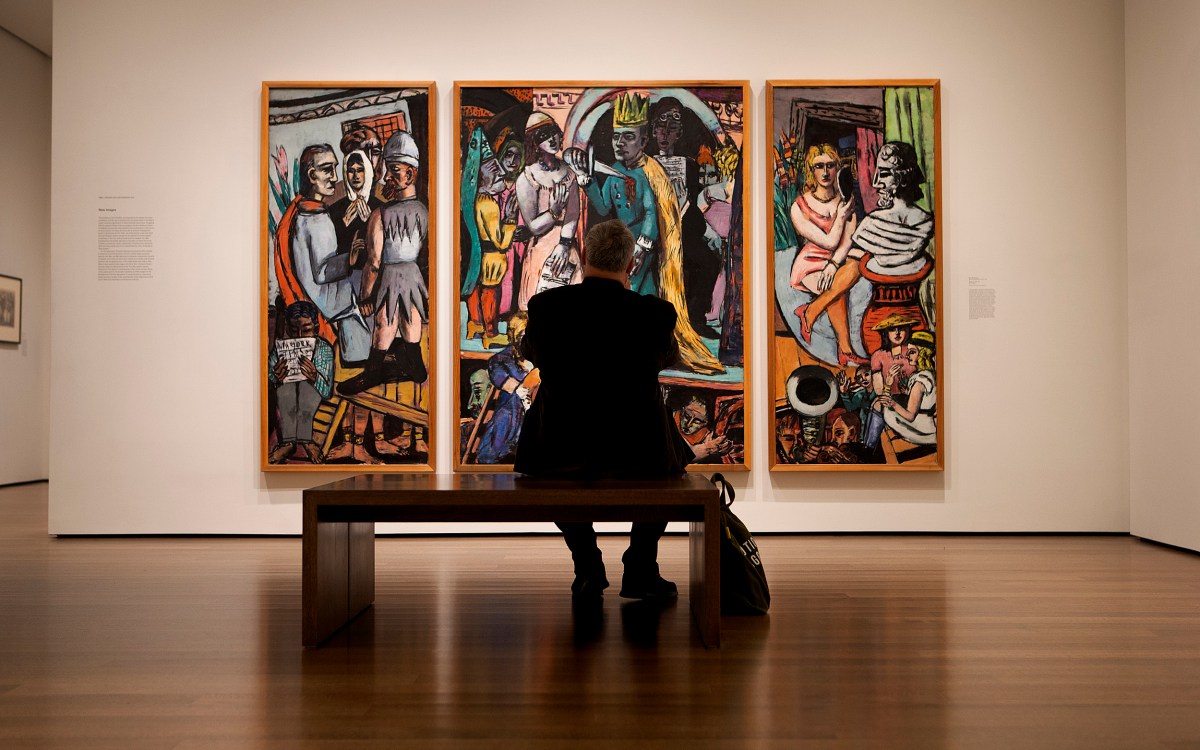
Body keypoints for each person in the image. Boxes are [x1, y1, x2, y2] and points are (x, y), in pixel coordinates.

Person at [514, 219, 693, 600]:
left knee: (550, 460)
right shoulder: (654, 313)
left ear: (586, 257)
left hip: (560, 446)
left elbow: (531, 353)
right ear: (630, 265)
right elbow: (668, 357)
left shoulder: (547, 307)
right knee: (669, 453)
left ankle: (587, 565)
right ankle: (641, 565)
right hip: (639, 450)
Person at [567, 92, 723, 376]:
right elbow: (602, 206)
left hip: (643, 247)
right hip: (622, 247)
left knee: (633, 294)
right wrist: (586, 181)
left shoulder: (648, 173)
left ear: (642, 142)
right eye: (616, 137)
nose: (619, 143)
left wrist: (644, 245)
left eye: (627, 137)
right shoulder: (613, 170)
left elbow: (652, 213)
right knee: (645, 297)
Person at [338, 130, 429, 395]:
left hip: (390, 275)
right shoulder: (424, 211)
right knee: (410, 323)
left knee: (384, 324)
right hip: (413, 275)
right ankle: (414, 368)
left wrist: (366, 295)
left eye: (393, 170)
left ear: (409, 174)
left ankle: (375, 372)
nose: (387, 176)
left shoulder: (381, 214)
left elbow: (374, 262)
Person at [789, 143, 866, 366]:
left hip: (837, 260)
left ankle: (810, 311)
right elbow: (828, 241)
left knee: (855, 266)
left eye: (830, 166)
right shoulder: (799, 206)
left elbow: (845, 242)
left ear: (837, 168)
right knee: (835, 289)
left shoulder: (846, 201)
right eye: (818, 166)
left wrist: (833, 264)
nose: (825, 172)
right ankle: (846, 350)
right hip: (811, 262)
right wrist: (840, 217)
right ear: (810, 170)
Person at [515, 112, 581, 310]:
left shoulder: (569, 173)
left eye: (553, 133)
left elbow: (573, 215)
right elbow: (533, 226)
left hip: (566, 245)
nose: (551, 140)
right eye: (543, 136)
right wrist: (553, 211)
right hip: (541, 247)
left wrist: (564, 244)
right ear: (534, 142)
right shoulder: (527, 178)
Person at [267, 301, 333, 464]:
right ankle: (288, 442)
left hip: (310, 397)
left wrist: (314, 377)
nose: (300, 336)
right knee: (285, 388)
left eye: (307, 330)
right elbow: (268, 376)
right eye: (294, 331)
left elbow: (327, 392)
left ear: (316, 328)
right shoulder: (279, 350)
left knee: (305, 388)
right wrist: (276, 376)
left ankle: (306, 440)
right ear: (288, 329)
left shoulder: (325, 350)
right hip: (287, 397)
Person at [877, 331, 937, 445]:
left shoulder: (920, 381)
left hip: (922, 429)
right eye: (908, 352)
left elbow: (910, 416)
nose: (907, 355)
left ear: (923, 353)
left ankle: (869, 448)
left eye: (912, 352)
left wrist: (892, 403)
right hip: (929, 425)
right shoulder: (930, 374)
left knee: (885, 411)